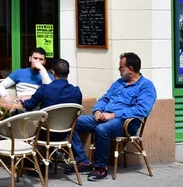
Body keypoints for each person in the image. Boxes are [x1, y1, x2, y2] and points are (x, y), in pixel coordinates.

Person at [65, 52, 156, 181]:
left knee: (102, 130)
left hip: (125, 123)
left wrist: (113, 115)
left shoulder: (146, 86)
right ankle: (84, 162)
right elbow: (105, 98)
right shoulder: (119, 83)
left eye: (121, 67)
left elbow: (142, 110)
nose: (119, 70)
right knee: (71, 122)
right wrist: (97, 110)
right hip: (104, 117)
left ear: (130, 69)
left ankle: (101, 168)